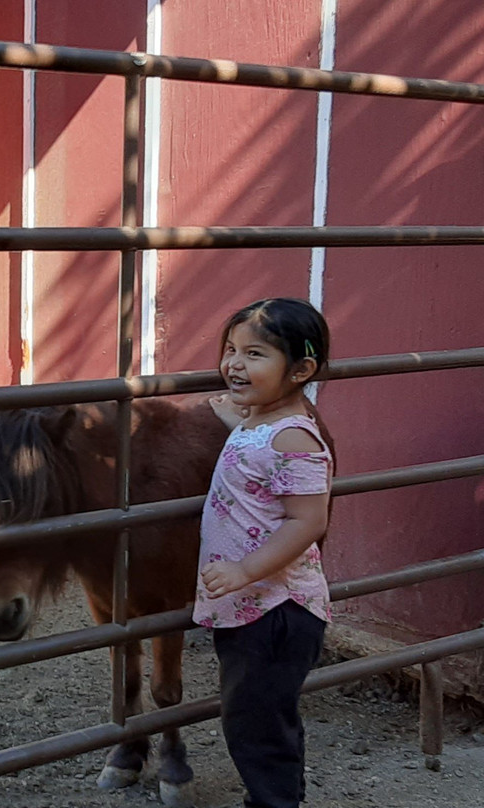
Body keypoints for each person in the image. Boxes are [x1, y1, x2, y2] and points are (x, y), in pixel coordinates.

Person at [195, 297, 334, 808]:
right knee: (261, 715)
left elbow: (308, 519)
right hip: (254, 607)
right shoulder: (265, 426)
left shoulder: (294, 436)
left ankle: (274, 802)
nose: (233, 364)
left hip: (275, 610)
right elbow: (262, 468)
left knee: (257, 725)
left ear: (300, 369)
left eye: (255, 354)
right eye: (230, 350)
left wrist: (243, 569)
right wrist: (237, 424)